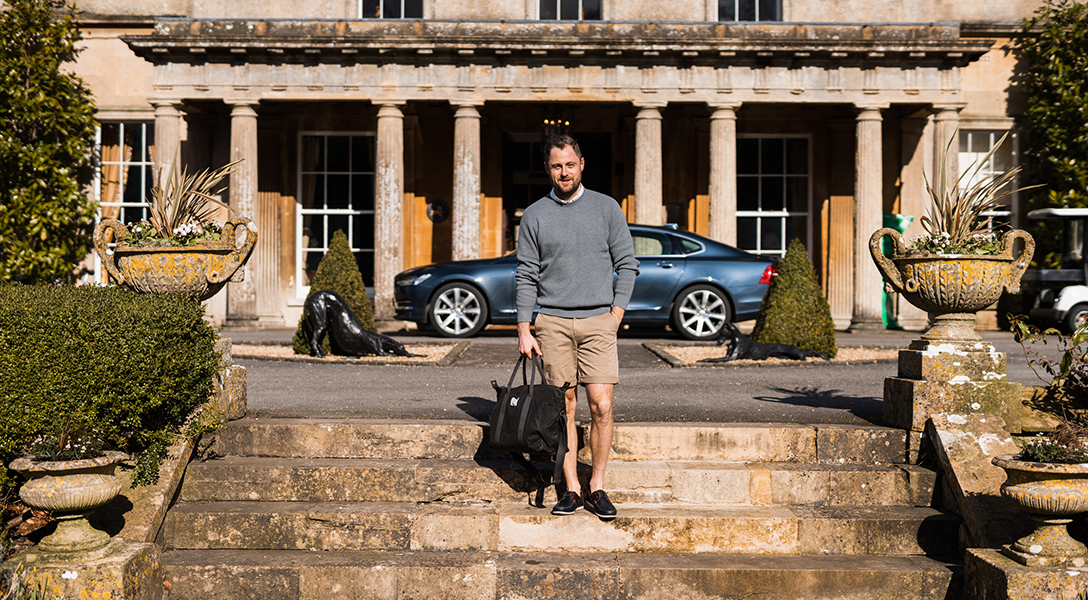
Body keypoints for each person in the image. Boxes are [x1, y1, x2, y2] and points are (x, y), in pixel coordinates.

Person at [515, 134, 639, 519]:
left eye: (569, 164)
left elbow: (628, 264)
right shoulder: (535, 215)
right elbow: (526, 274)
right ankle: (570, 487)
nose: (563, 172)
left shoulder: (606, 208)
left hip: (599, 320)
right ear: (548, 169)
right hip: (551, 322)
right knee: (563, 409)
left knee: (601, 405)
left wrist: (616, 314)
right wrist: (523, 327)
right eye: (556, 166)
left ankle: (597, 486)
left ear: (581, 164)